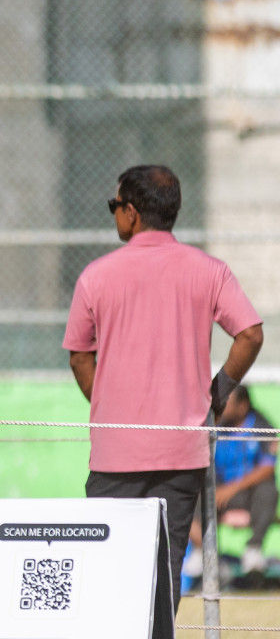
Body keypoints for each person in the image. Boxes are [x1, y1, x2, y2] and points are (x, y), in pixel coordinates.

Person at [64, 164, 263, 595]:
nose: (115, 214)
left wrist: (107, 405)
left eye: (114, 206)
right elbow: (249, 335)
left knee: (106, 567)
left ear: (131, 212)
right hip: (181, 449)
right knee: (164, 568)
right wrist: (219, 392)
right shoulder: (210, 270)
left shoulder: (96, 276)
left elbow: (80, 356)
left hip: (116, 450)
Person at [186, 386, 276, 578]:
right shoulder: (214, 425)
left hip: (248, 494)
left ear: (242, 406)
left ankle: (253, 551)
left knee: (268, 490)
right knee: (192, 491)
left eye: (226, 404)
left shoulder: (261, 426)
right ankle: (205, 553)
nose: (221, 408)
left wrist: (231, 489)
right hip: (218, 492)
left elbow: (268, 468)